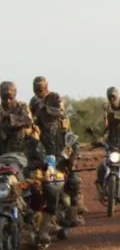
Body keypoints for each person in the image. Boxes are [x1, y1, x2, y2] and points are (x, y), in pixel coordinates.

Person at [36, 92, 85, 226]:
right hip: (42, 159)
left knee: (74, 179)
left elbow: (72, 140)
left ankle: (73, 212)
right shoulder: (37, 121)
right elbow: (31, 140)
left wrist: (73, 156)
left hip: (60, 158)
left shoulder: (63, 119)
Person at [0, 82, 34, 155]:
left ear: (15, 95)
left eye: (10, 98)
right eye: (4, 98)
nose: (8, 101)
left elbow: (28, 121)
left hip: (19, 148)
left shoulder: (21, 106)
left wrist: (9, 117)